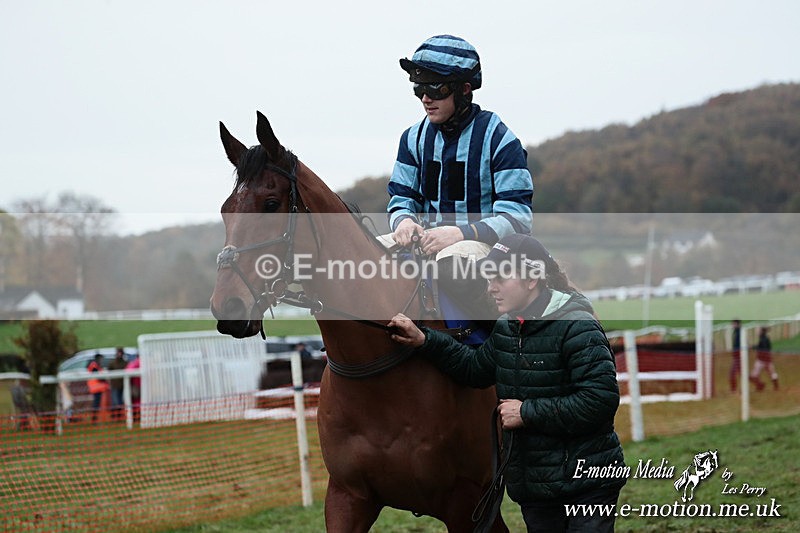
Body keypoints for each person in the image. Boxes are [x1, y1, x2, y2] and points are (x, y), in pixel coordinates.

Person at [389, 234, 625, 532]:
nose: (491, 288)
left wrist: (525, 413)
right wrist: (424, 340)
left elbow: (600, 402)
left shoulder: (578, 326)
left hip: (588, 483)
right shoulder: (507, 327)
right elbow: (474, 369)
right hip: (536, 488)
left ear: (531, 280)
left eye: (500, 277)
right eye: (489, 278)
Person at [387, 34, 534, 324]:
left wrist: (459, 234)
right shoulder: (412, 138)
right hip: (426, 241)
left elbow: (519, 219)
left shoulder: (500, 139)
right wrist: (403, 221)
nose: (426, 98)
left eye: (436, 88)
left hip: (485, 248)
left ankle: (503, 342)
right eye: (419, 88)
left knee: (452, 265)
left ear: (464, 90)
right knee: (361, 258)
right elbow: (401, 199)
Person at [750, 327, 778, 391]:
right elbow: (761, 346)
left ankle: (774, 386)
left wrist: (753, 347)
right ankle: (761, 385)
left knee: (771, 373)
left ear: (761, 331)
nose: (756, 332)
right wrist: (754, 347)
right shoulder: (763, 338)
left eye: (757, 330)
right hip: (762, 359)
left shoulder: (764, 338)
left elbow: (763, 348)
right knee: (753, 375)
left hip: (764, 360)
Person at [86, 353, 109, 424]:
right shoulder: (94, 365)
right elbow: (98, 376)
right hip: (96, 387)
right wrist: (105, 379)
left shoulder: (95, 365)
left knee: (97, 404)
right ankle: (94, 419)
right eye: (101, 359)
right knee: (96, 404)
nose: (102, 360)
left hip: (97, 387)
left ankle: (94, 419)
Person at [107, 347, 128, 420]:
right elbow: (109, 373)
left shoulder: (125, 363)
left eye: (120, 353)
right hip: (114, 385)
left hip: (123, 385)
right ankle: (114, 416)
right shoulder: (112, 363)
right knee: (115, 401)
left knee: (120, 401)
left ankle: (119, 416)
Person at [729, 319, 742, 392]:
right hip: (737, 356)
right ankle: (759, 384)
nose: (732, 325)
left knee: (732, 374)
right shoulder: (736, 332)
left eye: (734, 324)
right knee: (743, 374)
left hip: (738, 357)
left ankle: (733, 389)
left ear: (738, 324)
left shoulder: (739, 333)